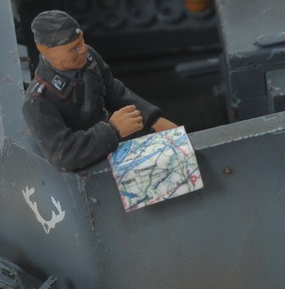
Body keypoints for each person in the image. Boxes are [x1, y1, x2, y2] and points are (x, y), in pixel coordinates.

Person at [23, 10, 177, 171]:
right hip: (89, 164)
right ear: (47, 52)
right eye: (73, 49)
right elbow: (63, 154)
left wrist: (151, 118)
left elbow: (113, 90)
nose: (83, 50)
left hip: (115, 140)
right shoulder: (39, 101)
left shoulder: (88, 57)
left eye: (82, 41)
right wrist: (112, 130)